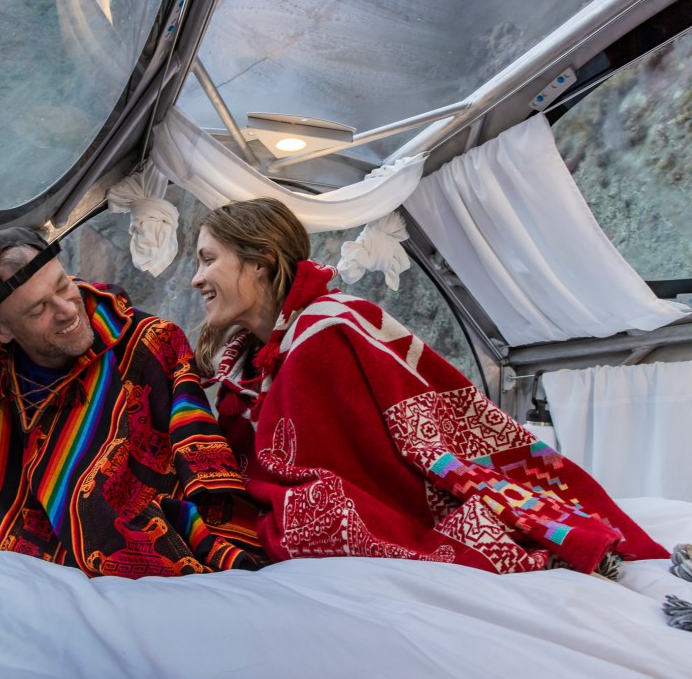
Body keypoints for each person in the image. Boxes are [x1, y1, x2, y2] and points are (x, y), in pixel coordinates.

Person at [190, 197, 667, 575]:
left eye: (208, 259)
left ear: (261, 262)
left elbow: (389, 453)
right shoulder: (243, 374)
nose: (196, 279)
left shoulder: (330, 330)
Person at [0, 227, 262, 609]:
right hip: (7, 551)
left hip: (130, 549)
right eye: (38, 310)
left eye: (63, 285)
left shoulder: (151, 343)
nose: (67, 310)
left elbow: (203, 460)